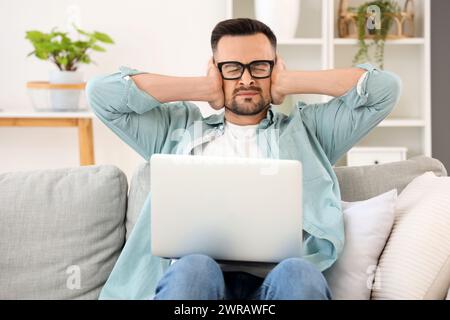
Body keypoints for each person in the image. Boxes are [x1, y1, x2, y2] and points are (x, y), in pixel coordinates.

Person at [86, 18, 401, 300]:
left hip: (277, 284)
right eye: (232, 68)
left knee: (300, 273)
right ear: (215, 69)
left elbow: (384, 90)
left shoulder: (310, 131)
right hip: (197, 282)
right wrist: (201, 88)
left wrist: (290, 84)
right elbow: (101, 94)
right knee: (195, 266)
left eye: (259, 66)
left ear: (275, 67)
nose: (247, 79)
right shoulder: (176, 129)